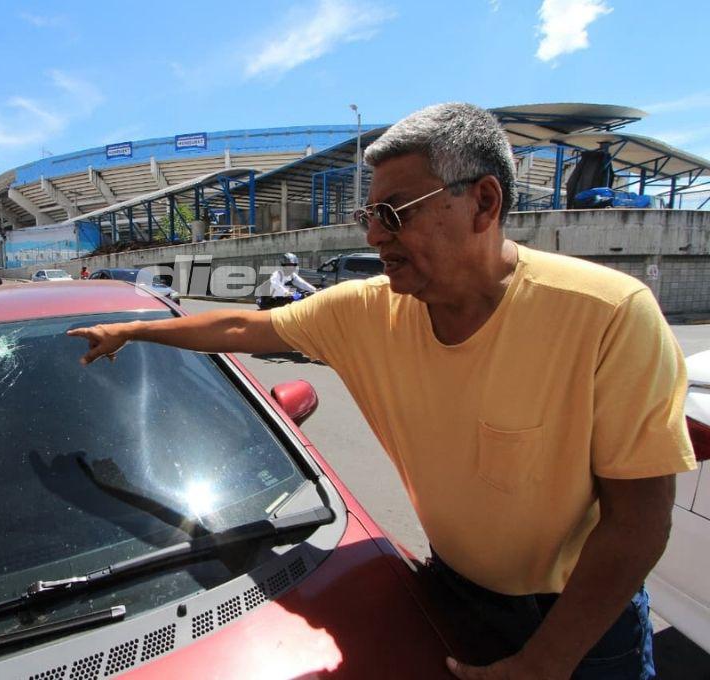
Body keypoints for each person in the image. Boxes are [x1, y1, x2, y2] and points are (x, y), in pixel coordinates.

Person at [67, 103, 695, 679]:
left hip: (581, 623)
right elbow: (241, 325)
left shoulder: (606, 314)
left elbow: (638, 522)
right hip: (451, 592)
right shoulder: (368, 313)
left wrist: (545, 662)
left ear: (483, 202)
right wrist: (133, 330)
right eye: (371, 216)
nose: (373, 237)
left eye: (395, 214)